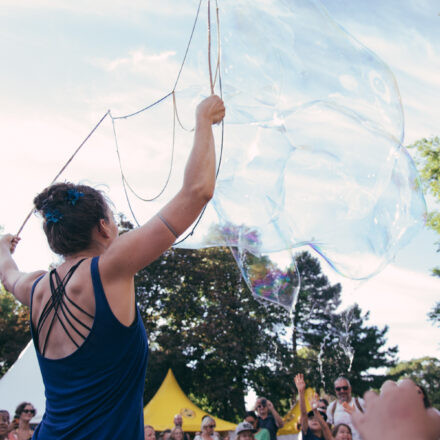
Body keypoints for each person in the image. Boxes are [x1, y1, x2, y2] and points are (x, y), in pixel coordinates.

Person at [0, 95, 225, 440]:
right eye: (112, 220)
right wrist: (203, 118)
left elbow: (7, 273)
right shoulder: (109, 268)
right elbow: (196, 192)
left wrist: (2, 248)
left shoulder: (35, 288)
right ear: (104, 228)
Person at [351, 379, 440, 440]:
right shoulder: (397, 417)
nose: (415, 394)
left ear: (423, 395)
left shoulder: (434, 414)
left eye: (418, 392)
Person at [294, 373, 328, 440]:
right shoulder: (307, 433)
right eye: (311, 418)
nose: (314, 421)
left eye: (317, 419)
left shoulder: (327, 436)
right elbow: (303, 413)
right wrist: (301, 392)